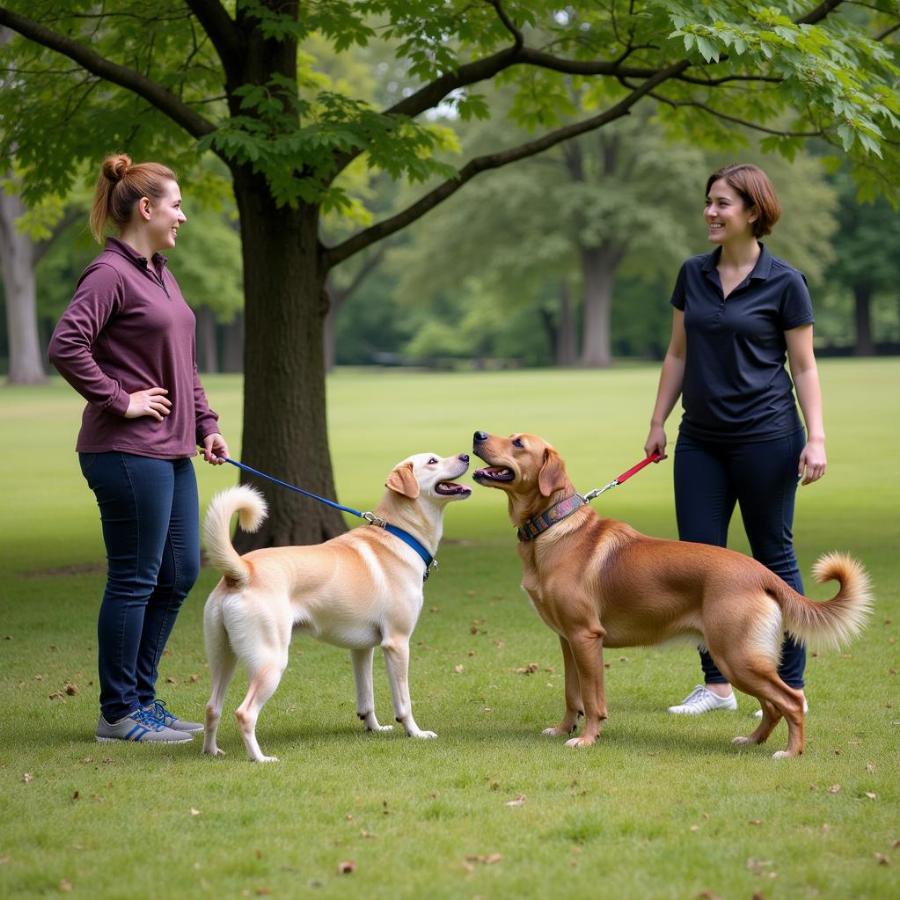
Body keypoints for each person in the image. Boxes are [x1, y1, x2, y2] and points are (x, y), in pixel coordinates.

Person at [48, 153, 230, 743]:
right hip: (125, 452)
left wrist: (206, 424)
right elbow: (66, 345)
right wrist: (119, 398)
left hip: (173, 450)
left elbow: (186, 365)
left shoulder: (160, 272)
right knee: (135, 576)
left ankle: (142, 701)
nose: (183, 217)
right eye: (176, 205)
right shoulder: (108, 273)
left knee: (178, 573)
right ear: (146, 208)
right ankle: (117, 712)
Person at [644, 163, 826, 716]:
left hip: (768, 437)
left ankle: (790, 687)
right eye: (708, 202)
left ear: (754, 211)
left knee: (774, 556)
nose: (710, 212)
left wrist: (815, 437)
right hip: (700, 440)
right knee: (700, 562)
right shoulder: (692, 274)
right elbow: (677, 353)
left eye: (722, 203)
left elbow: (805, 366)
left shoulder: (786, 282)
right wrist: (658, 421)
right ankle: (718, 685)